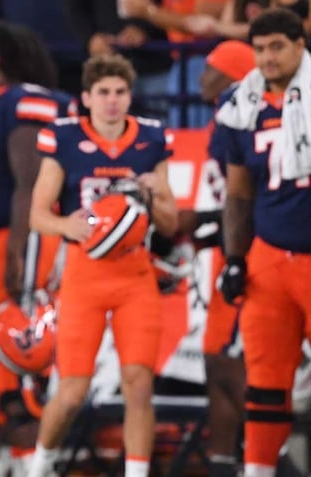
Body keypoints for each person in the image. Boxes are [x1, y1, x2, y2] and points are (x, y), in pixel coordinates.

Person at [27, 54, 179, 477]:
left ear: (130, 96)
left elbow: (171, 223)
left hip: (134, 273)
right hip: (84, 273)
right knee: (73, 390)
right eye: (104, 93)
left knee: (139, 384)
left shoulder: (150, 140)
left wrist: (155, 196)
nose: (113, 101)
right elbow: (38, 215)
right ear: (87, 97)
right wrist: (66, 224)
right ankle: (40, 465)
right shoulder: (65, 137)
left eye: (120, 92)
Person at [0, 20, 72, 476]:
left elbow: (29, 182)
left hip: (12, 242)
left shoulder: (23, 99)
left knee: (16, 371)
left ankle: (33, 468)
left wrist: (22, 256)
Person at [214, 9, 311, 476]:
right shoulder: (240, 104)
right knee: (266, 379)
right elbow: (237, 191)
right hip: (270, 257)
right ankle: (258, 471)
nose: (267, 57)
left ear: (299, 44)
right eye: (260, 48)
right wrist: (235, 259)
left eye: (277, 46)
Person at [186, 39, 256, 477]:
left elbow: (248, 196)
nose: (200, 75)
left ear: (232, 76)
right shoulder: (224, 116)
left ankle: (269, 450)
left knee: (232, 359)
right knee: (216, 357)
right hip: (227, 250)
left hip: (248, 254)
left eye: (210, 68)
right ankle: (226, 459)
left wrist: (205, 219)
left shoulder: (241, 114)